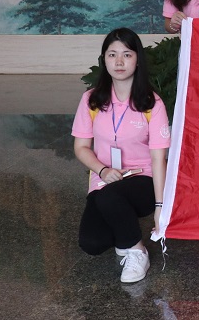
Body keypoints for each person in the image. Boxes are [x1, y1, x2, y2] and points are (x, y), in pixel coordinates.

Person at [72, 28, 171, 284]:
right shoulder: (91, 100)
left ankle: (136, 251)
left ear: (137, 60)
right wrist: (102, 170)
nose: (119, 61)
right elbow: (81, 147)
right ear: (104, 60)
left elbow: (158, 159)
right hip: (105, 178)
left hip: (144, 180)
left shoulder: (152, 103)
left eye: (127, 55)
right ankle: (125, 233)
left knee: (109, 197)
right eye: (112, 54)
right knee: (92, 242)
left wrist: (160, 208)